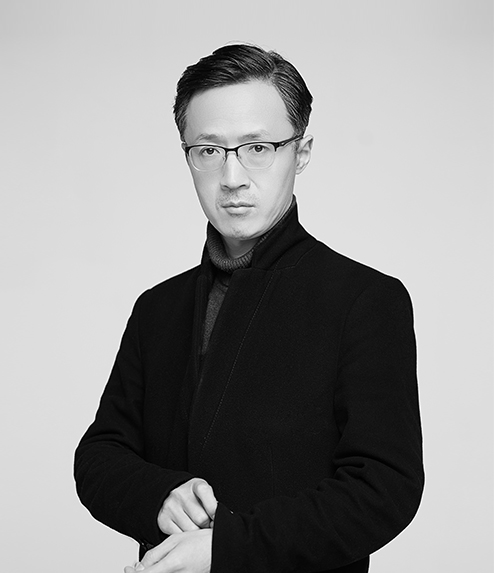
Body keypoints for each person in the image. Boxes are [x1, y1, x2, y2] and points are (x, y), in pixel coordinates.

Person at [74, 43, 424, 573]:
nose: (232, 177)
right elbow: (100, 456)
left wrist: (228, 547)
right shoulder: (157, 308)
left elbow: (383, 489)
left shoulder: (365, 300)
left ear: (301, 153)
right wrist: (158, 495)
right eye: (209, 150)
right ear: (187, 157)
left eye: (258, 147)